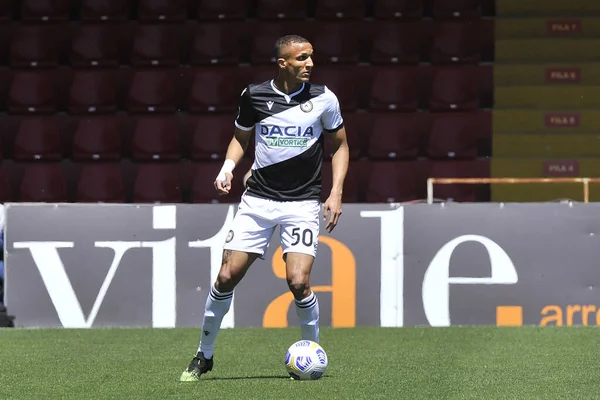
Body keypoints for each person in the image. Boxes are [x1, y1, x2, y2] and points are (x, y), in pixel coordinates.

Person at [180, 34, 350, 382]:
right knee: (226, 276)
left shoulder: (323, 98)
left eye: (311, 57)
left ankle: (313, 353)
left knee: (299, 282)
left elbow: (341, 146)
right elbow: (241, 138)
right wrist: (227, 167)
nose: (310, 64)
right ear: (283, 63)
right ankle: (204, 355)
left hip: (302, 202)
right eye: (301, 58)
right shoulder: (254, 96)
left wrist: (336, 192)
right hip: (257, 201)